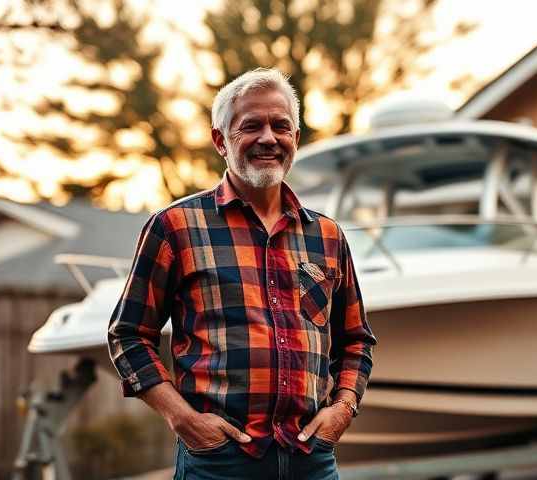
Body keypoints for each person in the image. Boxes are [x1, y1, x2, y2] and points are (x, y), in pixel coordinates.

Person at [108, 67, 376, 480]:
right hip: (218, 462)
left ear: (295, 139)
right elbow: (127, 335)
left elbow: (356, 340)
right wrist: (183, 419)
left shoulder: (327, 235)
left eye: (281, 126)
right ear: (220, 140)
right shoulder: (176, 227)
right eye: (251, 126)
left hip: (312, 460)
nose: (268, 138)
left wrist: (342, 408)